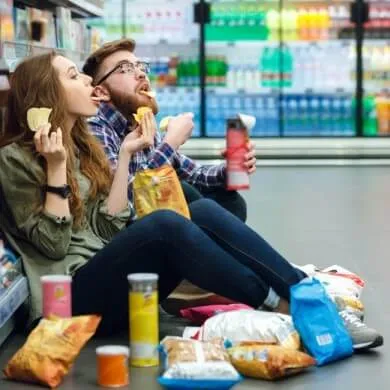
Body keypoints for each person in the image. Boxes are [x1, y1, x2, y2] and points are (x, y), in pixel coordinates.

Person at [0, 53, 382, 351]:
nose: (85, 80)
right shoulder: (16, 158)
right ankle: (291, 310)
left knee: (196, 209)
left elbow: (107, 226)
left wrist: (129, 156)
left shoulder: (82, 144)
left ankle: (304, 293)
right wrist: (55, 169)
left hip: (110, 275)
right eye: (73, 76)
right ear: (46, 95)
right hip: (67, 301)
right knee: (165, 222)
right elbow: (54, 245)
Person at [82, 39, 251, 222]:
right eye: (125, 69)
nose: (140, 74)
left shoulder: (141, 121)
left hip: (158, 222)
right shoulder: (95, 128)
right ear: (101, 92)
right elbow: (126, 203)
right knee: (197, 202)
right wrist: (170, 143)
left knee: (230, 200)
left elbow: (194, 173)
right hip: (128, 233)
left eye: (140, 67)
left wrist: (230, 169)